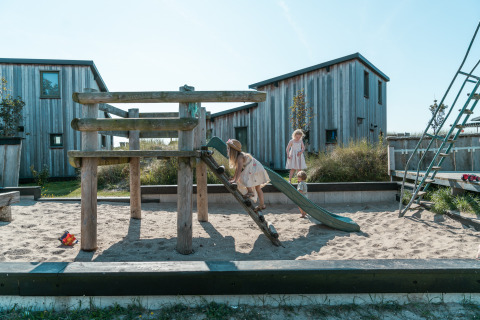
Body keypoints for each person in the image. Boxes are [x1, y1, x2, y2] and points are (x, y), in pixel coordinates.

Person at [226, 139, 270, 211]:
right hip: (258, 168)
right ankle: (262, 204)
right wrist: (234, 178)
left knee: (243, 177)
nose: (227, 150)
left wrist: (235, 180)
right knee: (258, 188)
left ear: (233, 150)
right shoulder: (240, 156)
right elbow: (237, 169)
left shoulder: (240, 157)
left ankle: (250, 192)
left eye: (228, 148)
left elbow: (239, 170)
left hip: (254, 169)